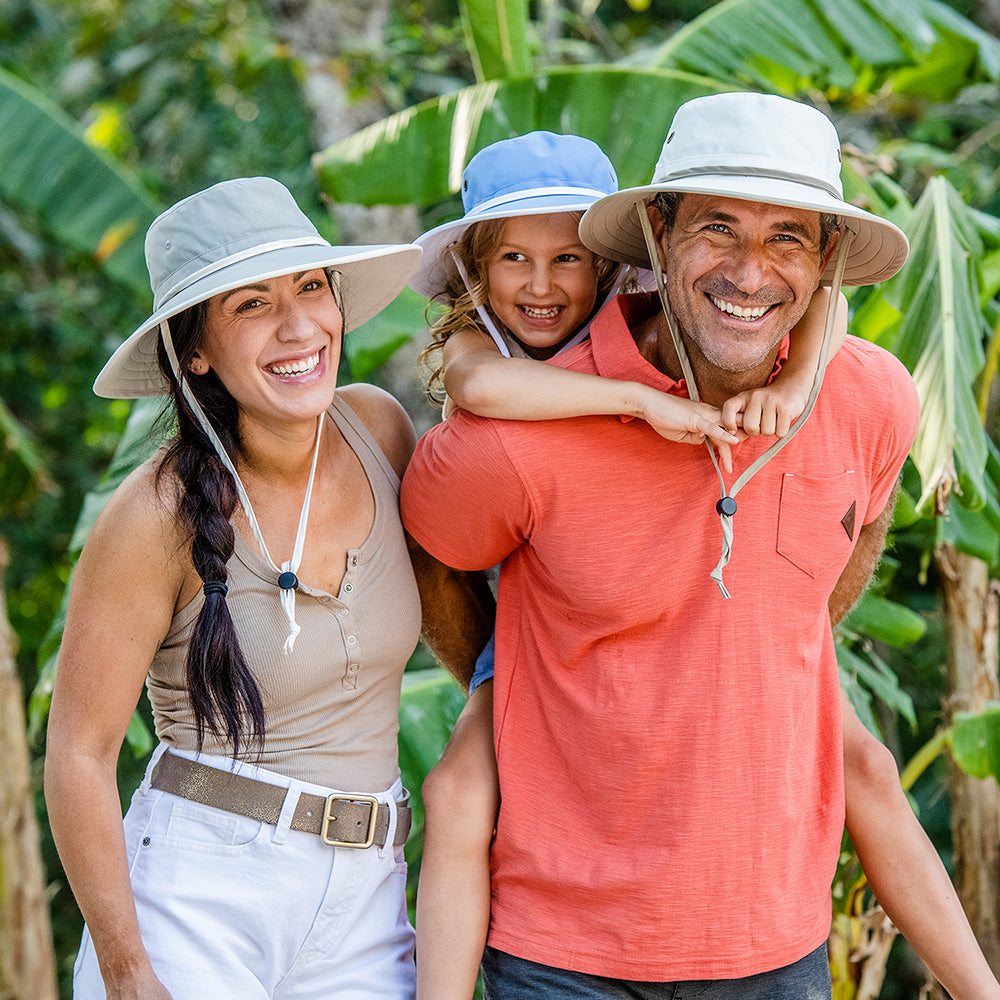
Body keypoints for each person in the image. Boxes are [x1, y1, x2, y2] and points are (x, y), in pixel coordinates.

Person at [401, 94, 1000, 1000]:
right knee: (455, 792)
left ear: (829, 261)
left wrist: (780, 642)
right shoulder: (512, 425)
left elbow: (868, 508)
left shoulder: (870, 397)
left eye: (790, 239)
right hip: (565, 957)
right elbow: (433, 543)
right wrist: (508, 684)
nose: (751, 272)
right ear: (659, 228)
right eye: (719, 229)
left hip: (776, 947)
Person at [44, 176, 492, 1000]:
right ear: (196, 349)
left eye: (311, 288)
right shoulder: (154, 516)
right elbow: (77, 754)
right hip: (201, 896)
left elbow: (460, 629)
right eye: (252, 304)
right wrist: (127, 969)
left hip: (368, 896)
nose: (299, 327)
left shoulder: (379, 429)